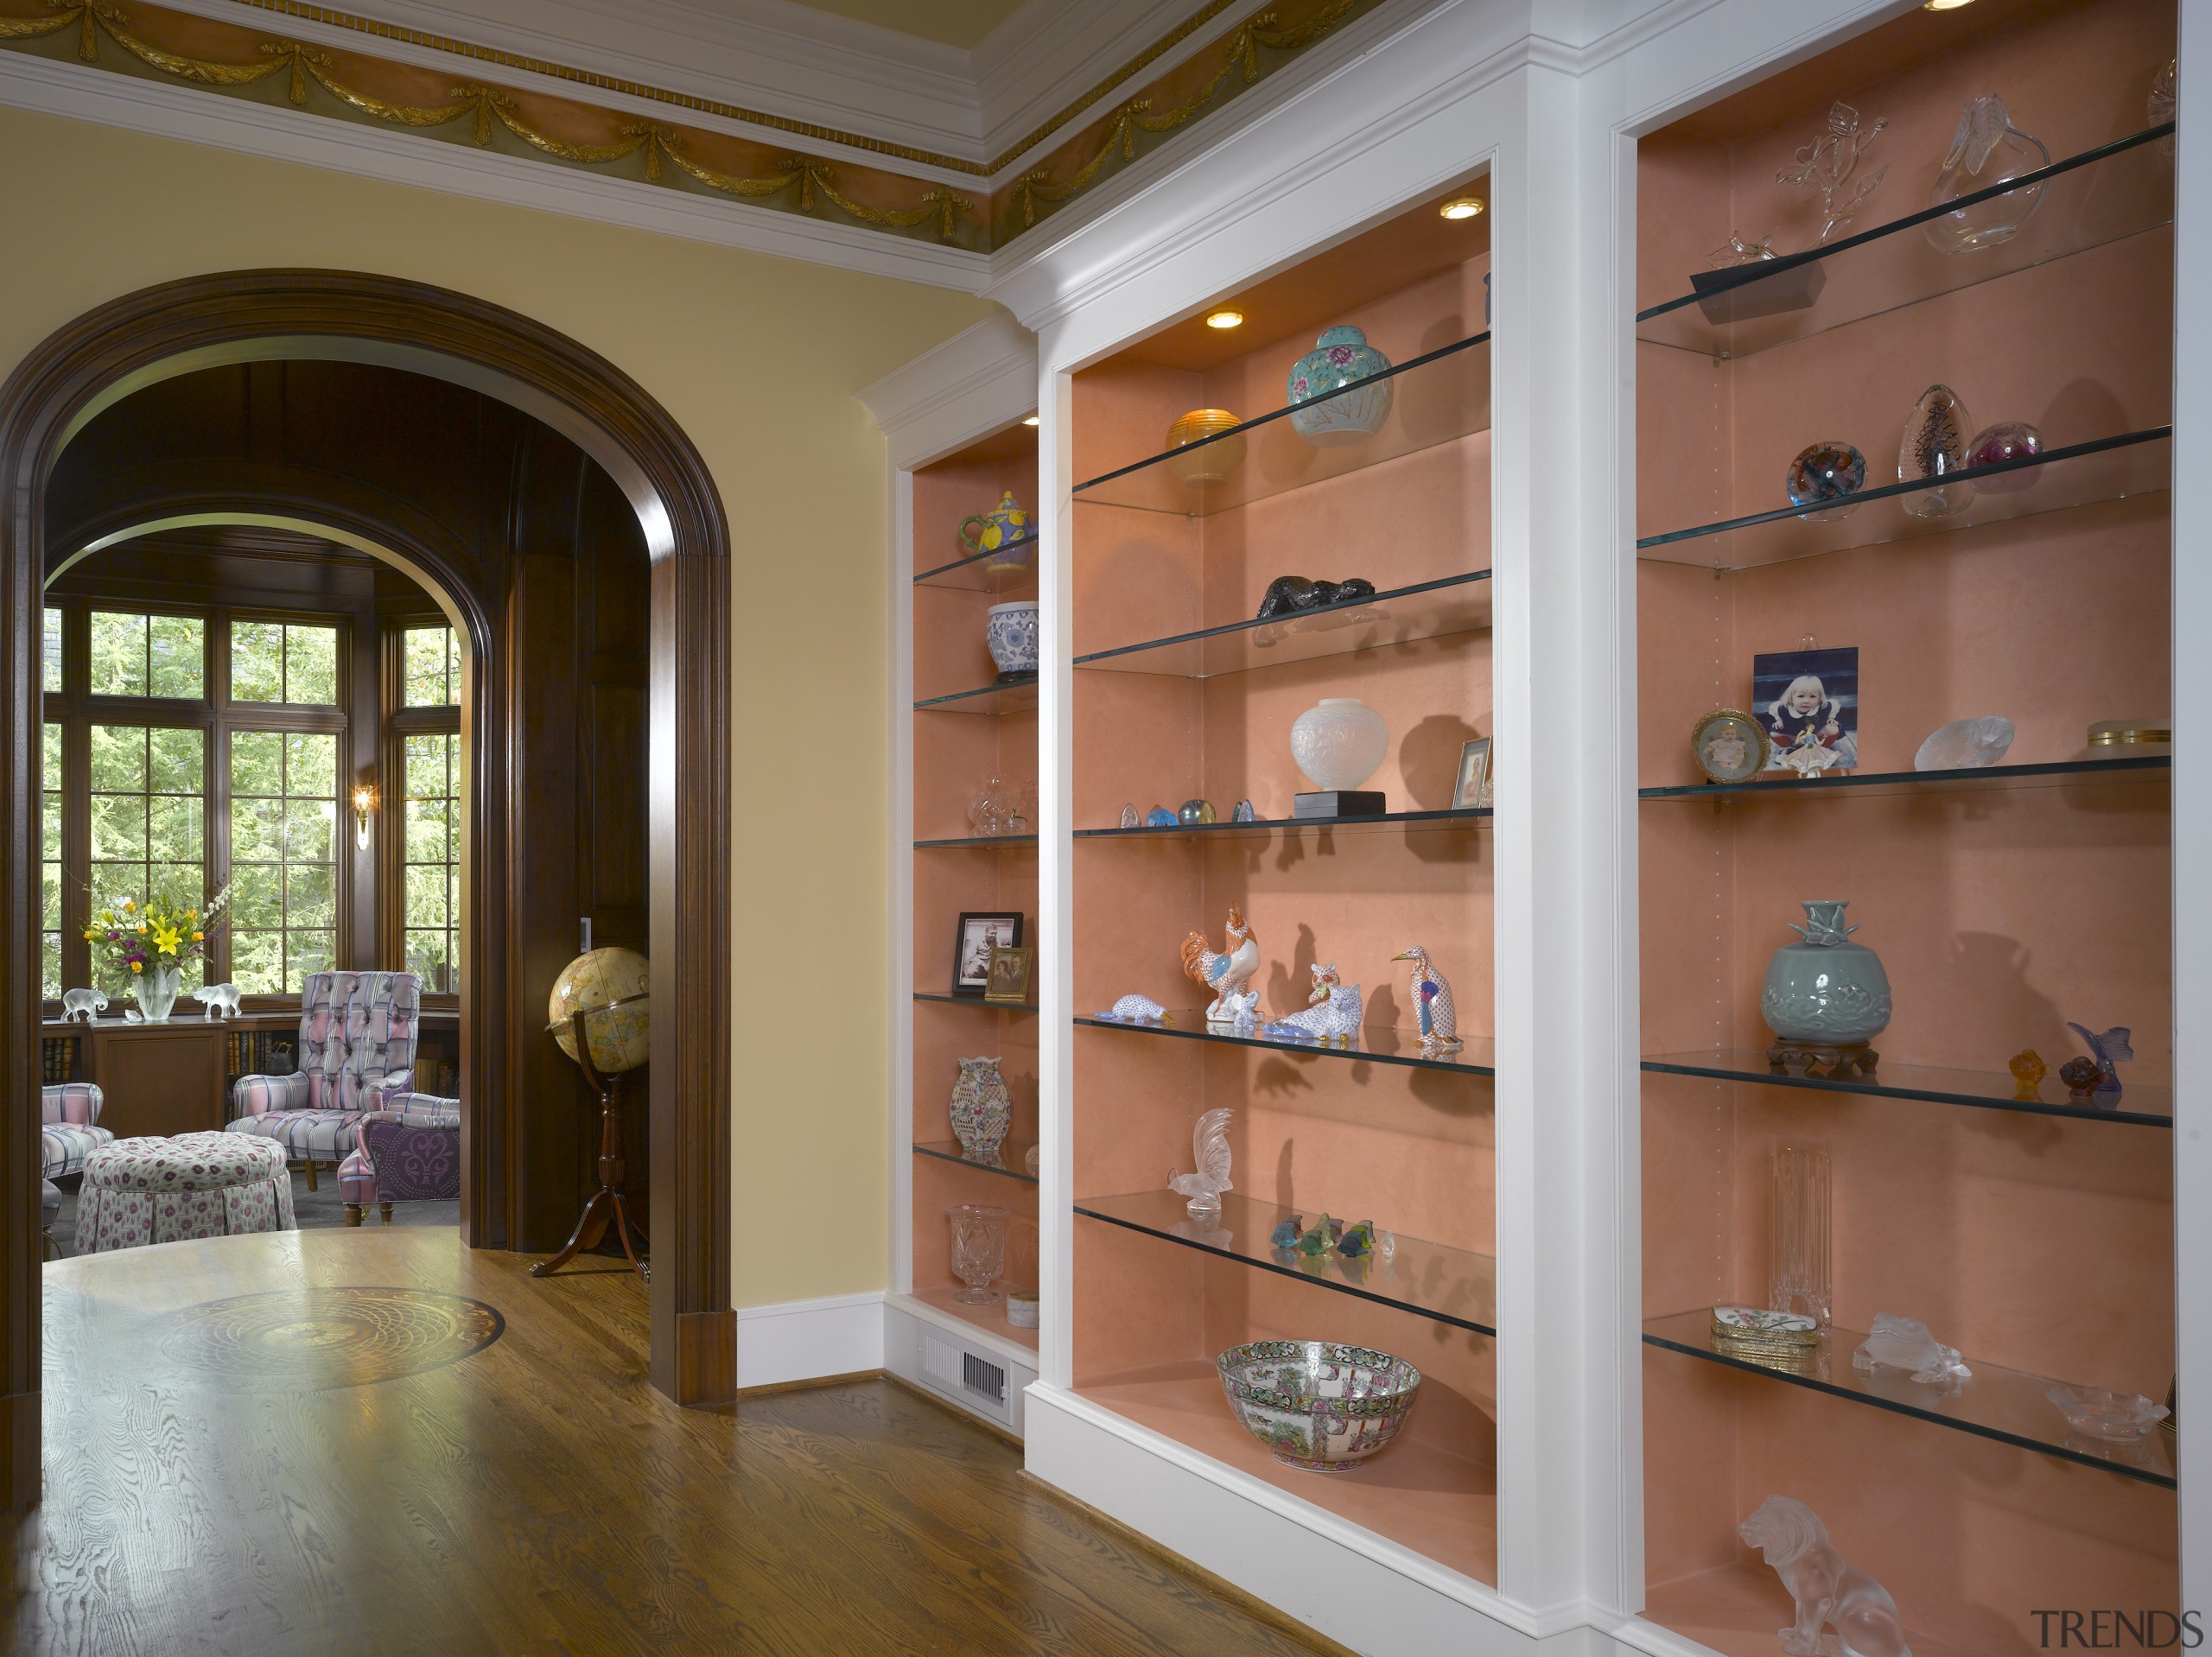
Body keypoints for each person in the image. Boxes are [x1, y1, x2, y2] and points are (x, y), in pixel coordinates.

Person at [1765, 674, 1853, 772]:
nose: (1806, 701)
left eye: (1812, 696)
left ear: (1819, 698)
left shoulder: (1824, 707)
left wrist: (1831, 718)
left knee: (1832, 728)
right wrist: (1779, 719)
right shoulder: (1783, 708)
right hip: (1794, 733)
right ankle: (1788, 748)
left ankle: (1822, 750)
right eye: (1801, 696)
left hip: (1815, 733)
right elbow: (1775, 708)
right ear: (1791, 698)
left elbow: (1834, 705)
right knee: (1774, 732)